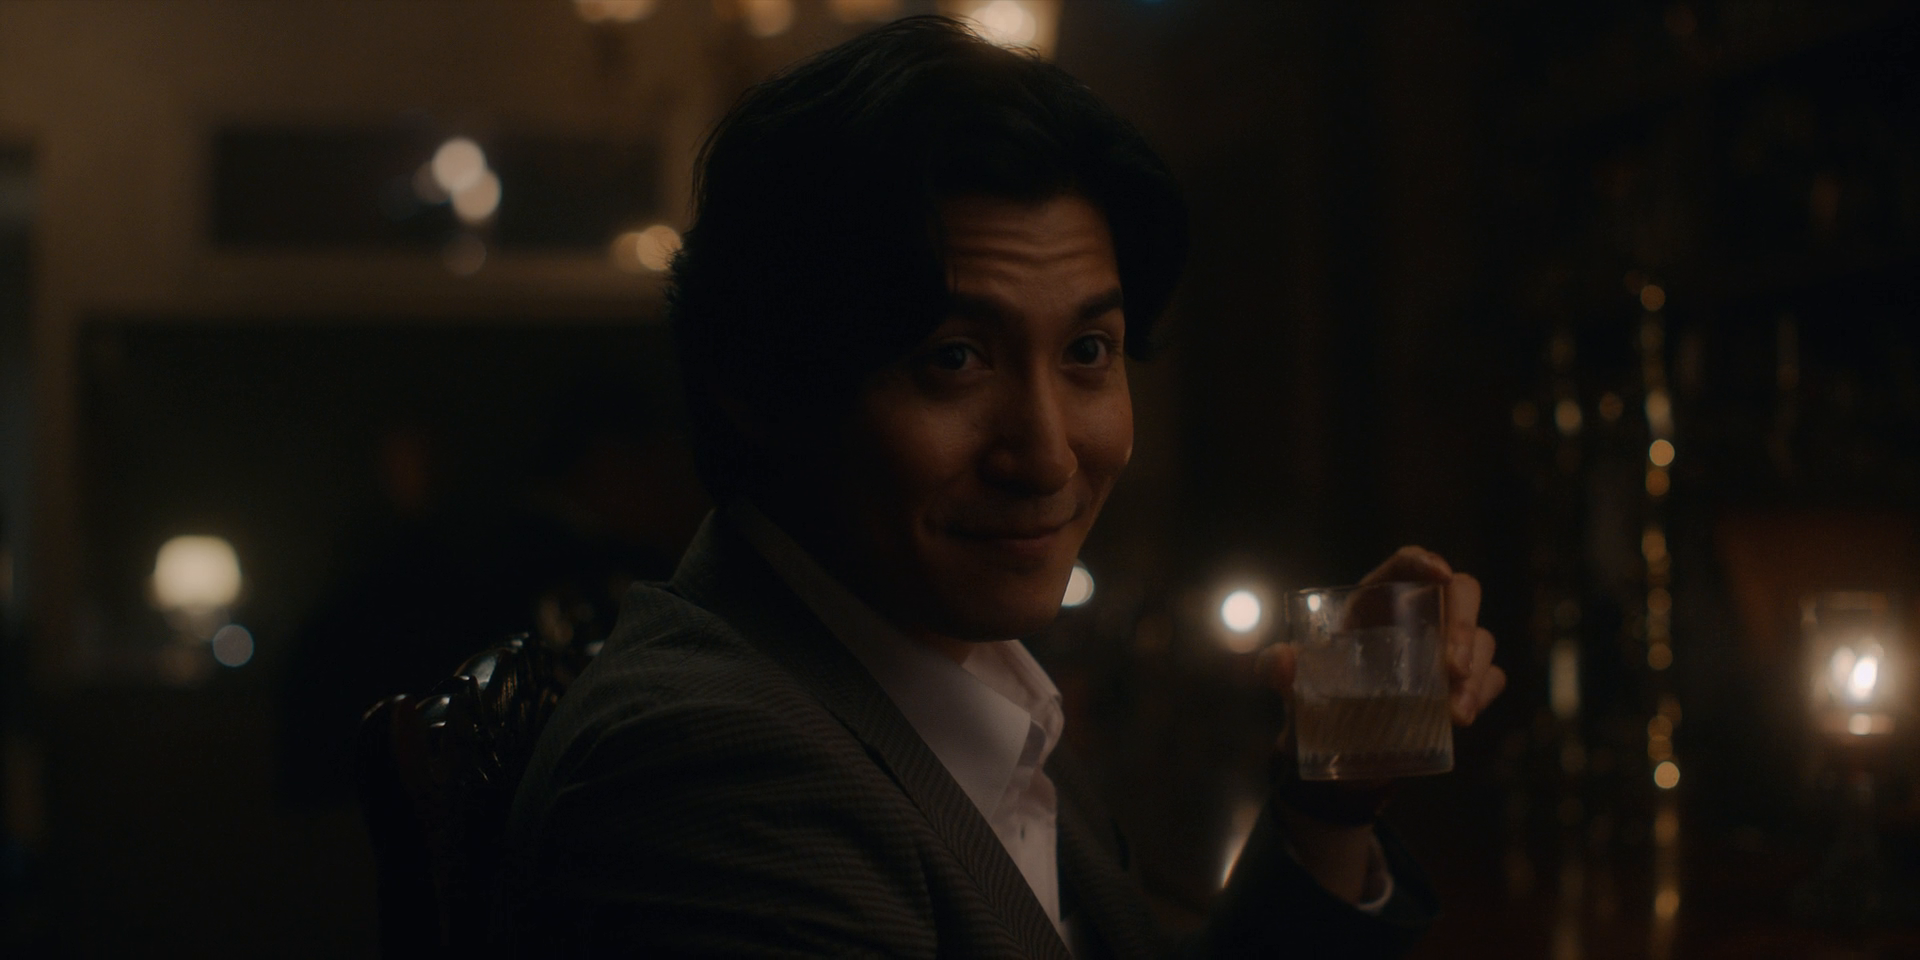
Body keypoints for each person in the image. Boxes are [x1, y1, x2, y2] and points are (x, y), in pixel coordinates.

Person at [502, 16, 1504, 958]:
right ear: (759, 386)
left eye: (1087, 351)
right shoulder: (709, 774)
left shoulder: (953, 667)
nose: (1049, 457)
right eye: (954, 359)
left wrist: (1328, 797)